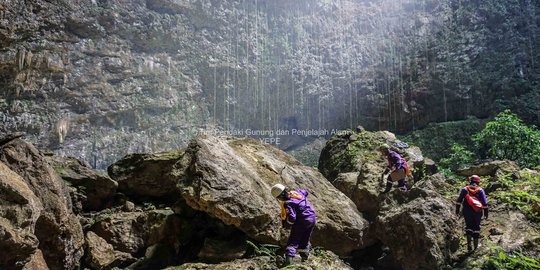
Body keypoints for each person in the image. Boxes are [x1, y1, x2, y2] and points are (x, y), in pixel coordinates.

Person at [270, 183, 317, 266]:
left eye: (279, 198)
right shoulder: (298, 192)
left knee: (293, 240)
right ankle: (305, 259)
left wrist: (287, 225)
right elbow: (306, 192)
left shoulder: (288, 203)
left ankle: (288, 262)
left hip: (302, 221)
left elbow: (292, 217)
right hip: (312, 217)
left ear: (281, 196)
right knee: (305, 238)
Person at [455, 175, 489, 252]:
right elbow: (484, 203)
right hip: (477, 211)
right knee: (476, 227)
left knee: (469, 226)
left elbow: (459, 201)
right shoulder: (480, 190)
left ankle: (469, 245)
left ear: (471, 180)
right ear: (478, 181)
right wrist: (486, 213)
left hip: (467, 211)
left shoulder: (465, 189)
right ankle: (476, 246)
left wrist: (457, 210)